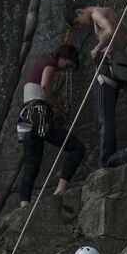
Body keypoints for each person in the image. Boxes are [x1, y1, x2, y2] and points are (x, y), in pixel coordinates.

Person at [65, 2, 127, 167]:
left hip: (107, 67)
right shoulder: (110, 11)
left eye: (78, 23)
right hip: (119, 66)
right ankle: (110, 157)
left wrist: (98, 49)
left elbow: (109, 31)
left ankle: (106, 161)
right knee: (107, 118)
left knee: (103, 119)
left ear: (79, 12)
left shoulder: (96, 14)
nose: (81, 26)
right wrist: (115, 47)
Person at [18, 44, 86, 206]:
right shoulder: (50, 63)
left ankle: (24, 204)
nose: (65, 70)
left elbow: (40, 91)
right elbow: (44, 86)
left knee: (31, 163)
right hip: (38, 115)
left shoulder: (39, 63)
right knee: (77, 148)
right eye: (67, 65)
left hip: (25, 119)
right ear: (62, 58)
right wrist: (58, 108)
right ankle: (60, 189)